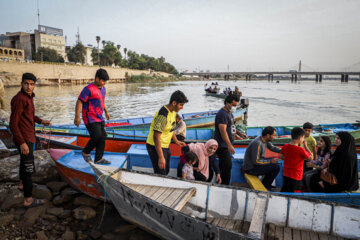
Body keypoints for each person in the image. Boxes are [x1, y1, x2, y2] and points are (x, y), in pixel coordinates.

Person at [10, 73, 51, 208]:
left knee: (24, 163)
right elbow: (13, 124)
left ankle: (22, 184)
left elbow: (29, 116)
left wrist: (40, 121)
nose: (29, 87)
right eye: (26, 83)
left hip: (28, 136)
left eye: (32, 84)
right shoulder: (19, 99)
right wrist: (22, 143)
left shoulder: (29, 97)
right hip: (24, 138)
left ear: (35, 85)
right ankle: (28, 199)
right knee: (28, 168)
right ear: (21, 83)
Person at [146, 90, 188, 175]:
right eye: (181, 105)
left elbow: (170, 129)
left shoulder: (173, 112)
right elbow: (156, 137)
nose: (182, 107)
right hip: (155, 146)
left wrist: (176, 141)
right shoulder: (163, 115)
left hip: (165, 145)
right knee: (161, 173)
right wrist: (161, 157)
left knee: (166, 170)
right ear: (174, 103)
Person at [74, 68, 111, 164]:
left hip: (99, 117)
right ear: (97, 79)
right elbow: (79, 101)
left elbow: (102, 101)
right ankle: (86, 151)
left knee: (103, 137)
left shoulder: (103, 89)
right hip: (89, 117)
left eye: (105, 81)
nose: (104, 83)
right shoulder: (88, 89)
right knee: (96, 136)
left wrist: (106, 112)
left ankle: (98, 159)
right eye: (102, 80)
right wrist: (77, 117)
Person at [214, 94, 242, 185]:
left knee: (227, 166)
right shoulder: (222, 114)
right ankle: (224, 186)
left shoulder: (230, 113)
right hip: (223, 145)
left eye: (236, 105)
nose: (234, 107)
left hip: (228, 144)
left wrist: (239, 134)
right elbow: (223, 131)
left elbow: (231, 127)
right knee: (226, 166)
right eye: (233, 105)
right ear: (227, 103)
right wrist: (229, 145)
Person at [280, 127, 313, 192]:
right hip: (296, 175)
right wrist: (306, 146)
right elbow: (311, 158)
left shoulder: (285, 146)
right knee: (295, 191)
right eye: (303, 137)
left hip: (286, 173)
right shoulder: (301, 150)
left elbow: (281, 156)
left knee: (286, 188)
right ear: (300, 137)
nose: (303, 139)